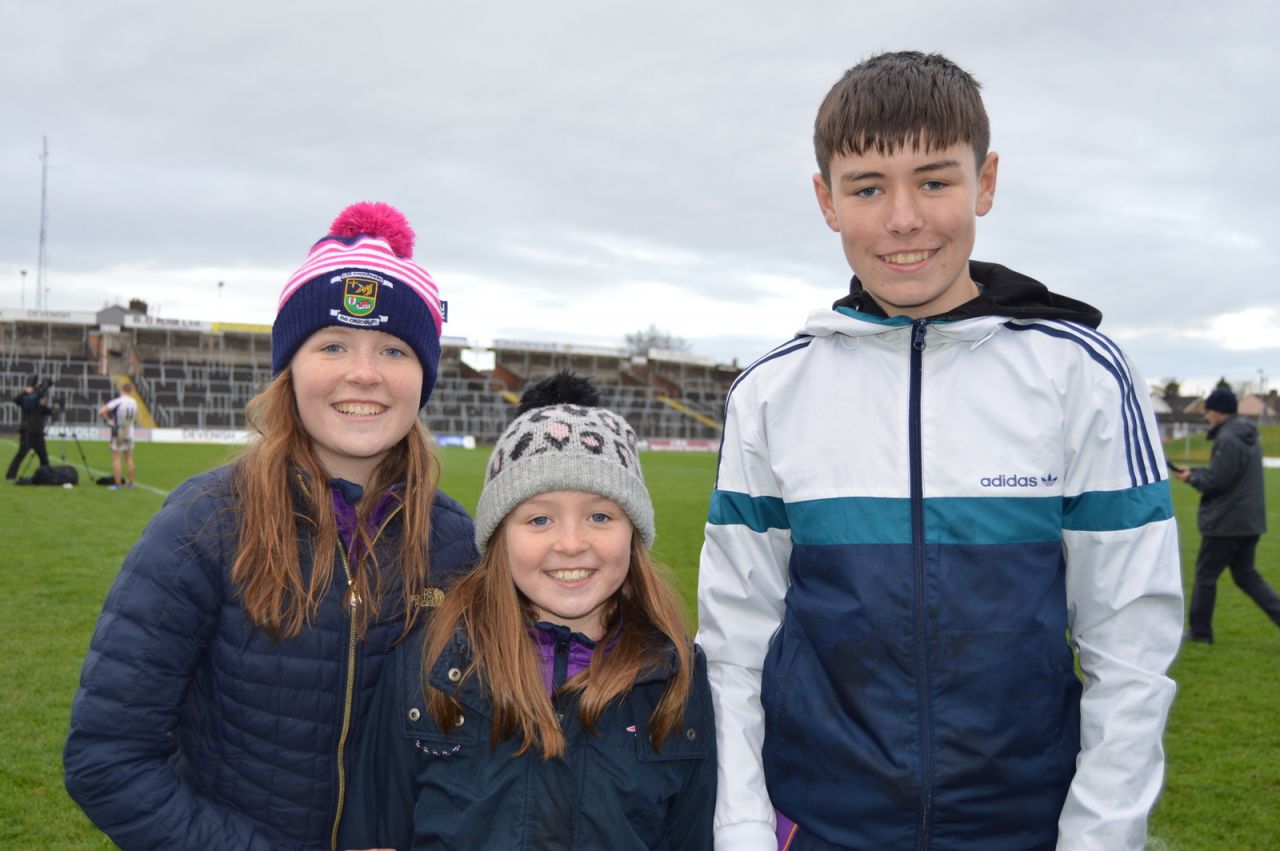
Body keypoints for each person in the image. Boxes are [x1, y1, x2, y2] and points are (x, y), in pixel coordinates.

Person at [696, 51, 1182, 851]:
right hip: (819, 826)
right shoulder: (772, 392)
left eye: (934, 180)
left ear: (985, 182)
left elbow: (1130, 645)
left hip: (1023, 826)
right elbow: (735, 642)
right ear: (826, 200)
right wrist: (745, 830)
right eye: (866, 189)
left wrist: (1099, 838)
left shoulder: (1080, 372)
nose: (903, 218)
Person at [63, 201, 479, 849]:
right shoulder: (203, 522)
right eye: (333, 344)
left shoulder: (457, 542)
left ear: (422, 375)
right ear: (290, 368)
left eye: (393, 348)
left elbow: (488, 749)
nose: (363, 372)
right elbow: (107, 755)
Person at [340, 371, 715, 850]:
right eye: (539, 518)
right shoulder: (428, 660)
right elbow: (374, 832)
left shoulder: (677, 677)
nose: (572, 543)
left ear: (634, 532)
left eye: (600, 516)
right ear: (500, 536)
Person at [1174, 386, 1280, 642]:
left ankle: (1200, 633)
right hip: (1248, 520)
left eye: (1208, 411)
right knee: (1246, 576)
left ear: (1217, 411)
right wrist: (1197, 472)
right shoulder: (1244, 434)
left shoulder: (1228, 438)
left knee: (1205, 575)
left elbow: (1217, 481)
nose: (1206, 417)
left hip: (1227, 522)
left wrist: (1192, 478)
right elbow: (1226, 474)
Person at [5, 377, 52, 481]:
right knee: (21, 454)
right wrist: (25, 392)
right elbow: (16, 400)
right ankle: (10, 476)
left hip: (38, 432)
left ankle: (47, 476)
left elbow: (49, 411)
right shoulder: (26, 401)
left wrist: (55, 406)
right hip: (27, 432)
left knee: (43, 456)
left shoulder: (40, 404)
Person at [98, 380, 139, 489]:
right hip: (130, 431)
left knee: (116, 458)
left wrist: (110, 422)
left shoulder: (119, 401)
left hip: (119, 431)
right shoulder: (134, 402)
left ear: (121, 390)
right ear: (131, 390)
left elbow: (102, 411)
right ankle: (130, 484)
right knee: (129, 458)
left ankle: (117, 484)